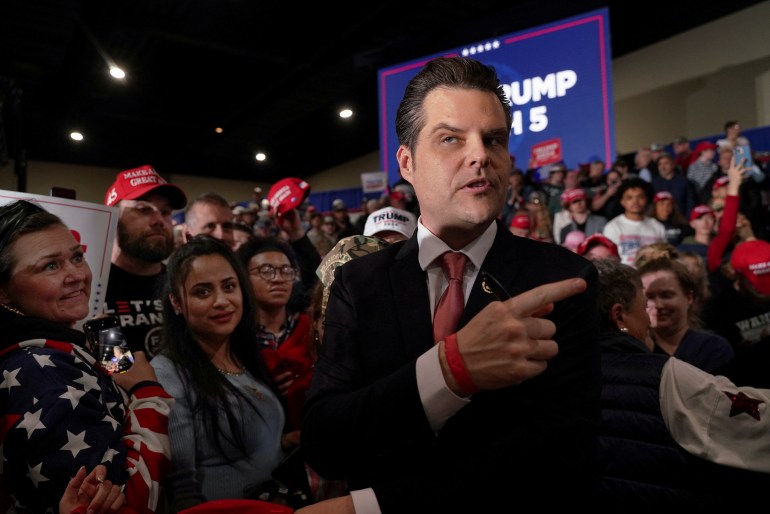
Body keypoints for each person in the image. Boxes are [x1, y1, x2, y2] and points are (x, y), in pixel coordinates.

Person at [299, 56, 601, 513]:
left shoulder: (566, 280)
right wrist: (448, 371)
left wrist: (373, 505)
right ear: (407, 162)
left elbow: (558, 461)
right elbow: (325, 440)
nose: (480, 155)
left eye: (494, 139)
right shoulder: (358, 283)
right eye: (450, 139)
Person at [0, 200, 172, 513]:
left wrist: (107, 343)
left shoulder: (88, 326)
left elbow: (119, 379)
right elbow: (134, 501)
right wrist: (148, 393)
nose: (77, 275)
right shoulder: (40, 374)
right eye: (50, 266)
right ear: (4, 292)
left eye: (77, 257)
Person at [593, 258, 770, 511]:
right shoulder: (665, 375)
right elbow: (756, 421)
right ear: (619, 315)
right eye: (644, 306)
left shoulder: (546, 374)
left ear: (689, 298)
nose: (651, 314)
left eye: (666, 295)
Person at [150, 235, 288, 512]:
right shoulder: (167, 374)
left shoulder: (244, 354)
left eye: (229, 286)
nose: (221, 301)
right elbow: (181, 490)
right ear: (176, 302)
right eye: (202, 292)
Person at [103, 164, 188, 357]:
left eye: (165, 212)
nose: (159, 220)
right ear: (113, 218)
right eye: (143, 209)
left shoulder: (182, 282)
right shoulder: (92, 289)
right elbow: (116, 368)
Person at [637, 256, 734, 373]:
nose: (658, 305)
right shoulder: (635, 351)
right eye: (649, 297)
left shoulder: (714, 349)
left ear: (689, 298)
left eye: (667, 295)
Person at [602, 177, 666, 266]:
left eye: (640, 197)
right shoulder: (612, 227)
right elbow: (608, 260)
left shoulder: (658, 227)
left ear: (646, 199)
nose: (635, 201)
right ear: (622, 201)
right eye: (629, 197)